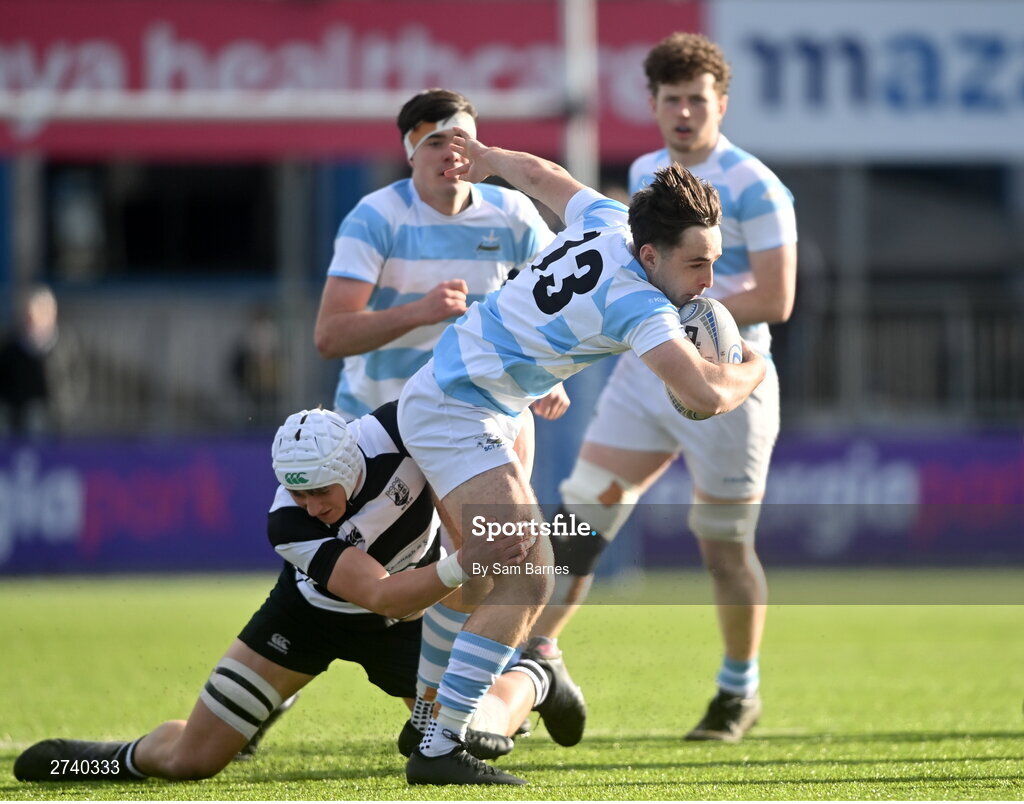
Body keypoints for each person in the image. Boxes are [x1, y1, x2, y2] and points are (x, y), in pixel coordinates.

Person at [395, 127, 767, 785]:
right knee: (529, 574)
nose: (711, 283)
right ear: (651, 254)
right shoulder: (640, 305)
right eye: (698, 264)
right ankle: (438, 749)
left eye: (716, 260)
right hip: (459, 409)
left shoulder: (605, 220)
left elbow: (542, 177)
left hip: (459, 393)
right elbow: (705, 394)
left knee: (485, 574)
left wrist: (490, 160)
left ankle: (428, 719)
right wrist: (752, 370)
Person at [12, 405, 572, 783]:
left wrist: (525, 412)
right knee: (194, 760)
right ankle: (100, 763)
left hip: (409, 627)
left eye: (320, 494)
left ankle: (536, 673)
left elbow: (490, 409)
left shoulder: (404, 428)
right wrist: (464, 561)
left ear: (348, 467)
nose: (311, 507)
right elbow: (382, 596)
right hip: (314, 614)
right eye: (297, 493)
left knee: (473, 729)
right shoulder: (288, 523)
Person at [531, 32, 798, 744]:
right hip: (649, 371)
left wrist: (692, 313)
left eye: (697, 99)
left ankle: (738, 692)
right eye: (671, 99)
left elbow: (776, 297)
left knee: (722, 547)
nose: (684, 112)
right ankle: (534, 659)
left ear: (721, 103)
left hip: (730, 381)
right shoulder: (650, 169)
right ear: (651, 103)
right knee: (579, 523)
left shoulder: (757, 185)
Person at [311, 87, 571, 755]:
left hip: (482, 418)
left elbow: (556, 309)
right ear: (409, 153)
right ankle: (521, 682)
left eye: (463, 141)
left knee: (488, 563)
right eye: (435, 142)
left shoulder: (513, 214)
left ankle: (445, 719)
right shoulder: (376, 217)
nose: (452, 155)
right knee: (337, 575)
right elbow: (331, 336)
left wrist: (544, 376)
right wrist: (417, 311)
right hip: (382, 432)